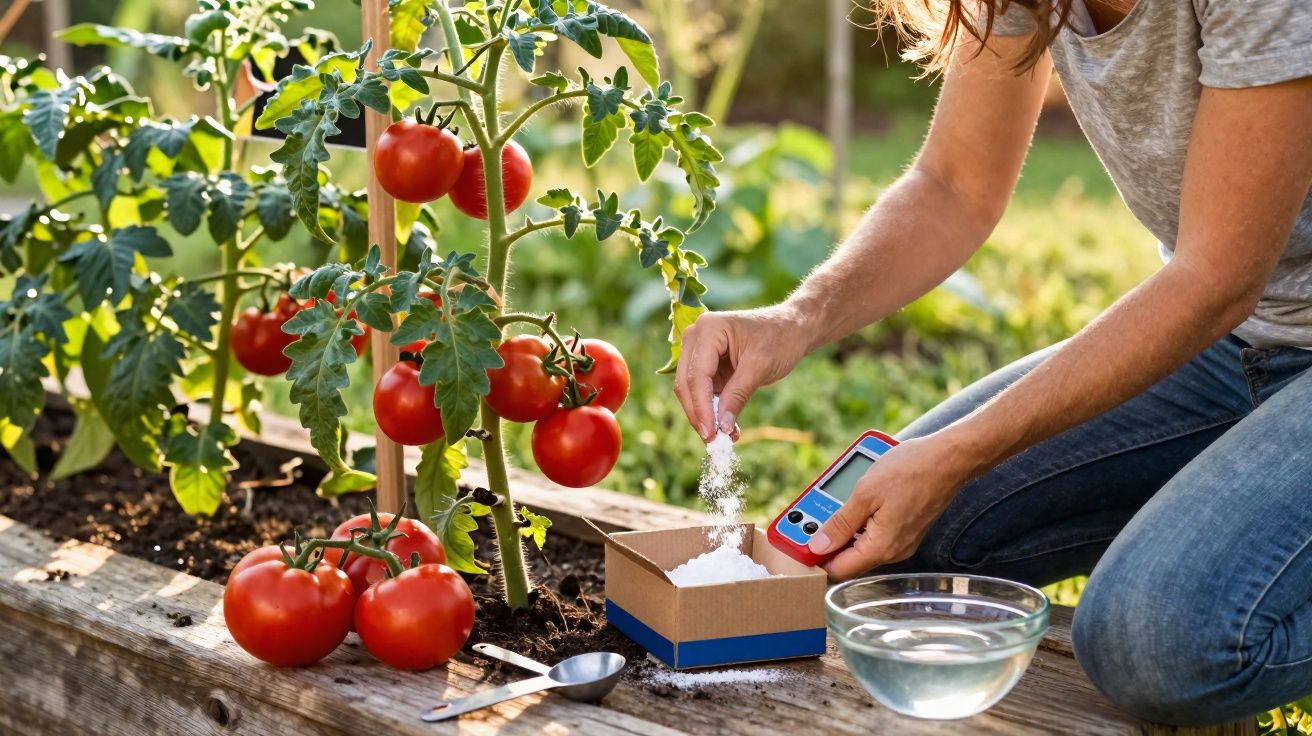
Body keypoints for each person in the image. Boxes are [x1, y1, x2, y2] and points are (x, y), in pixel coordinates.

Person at [674, 0, 1312, 726]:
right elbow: (955, 184)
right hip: (1228, 344)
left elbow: (1215, 279)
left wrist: (958, 453)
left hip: (1225, 306)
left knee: (1158, 644)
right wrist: (794, 319)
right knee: (888, 557)